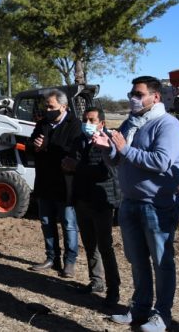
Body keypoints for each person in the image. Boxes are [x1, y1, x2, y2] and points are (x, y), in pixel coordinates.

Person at [96, 76, 179, 331]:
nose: (132, 98)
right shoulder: (130, 123)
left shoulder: (168, 125)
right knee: (137, 260)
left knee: (162, 262)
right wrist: (107, 149)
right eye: (131, 93)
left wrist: (124, 150)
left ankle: (162, 315)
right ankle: (140, 308)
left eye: (138, 94)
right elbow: (117, 161)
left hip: (157, 205)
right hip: (130, 202)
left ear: (155, 97)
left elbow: (161, 162)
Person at [62, 107, 121, 306]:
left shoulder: (107, 143)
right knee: (89, 245)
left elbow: (105, 173)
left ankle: (114, 289)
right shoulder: (79, 141)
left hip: (101, 201)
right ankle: (96, 281)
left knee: (105, 246)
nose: (88, 123)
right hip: (82, 200)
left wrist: (76, 167)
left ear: (101, 123)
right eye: (85, 119)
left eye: (92, 119)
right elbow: (72, 164)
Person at [27, 89, 81, 278]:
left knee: (68, 223)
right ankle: (52, 257)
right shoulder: (43, 124)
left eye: (52, 106)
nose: (48, 109)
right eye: (46, 106)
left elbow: (71, 151)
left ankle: (70, 261)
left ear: (63, 107)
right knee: (46, 222)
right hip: (44, 181)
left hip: (65, 184)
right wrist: (35, 146)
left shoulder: (74, 125)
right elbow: (29, 146)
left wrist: (46, 146)